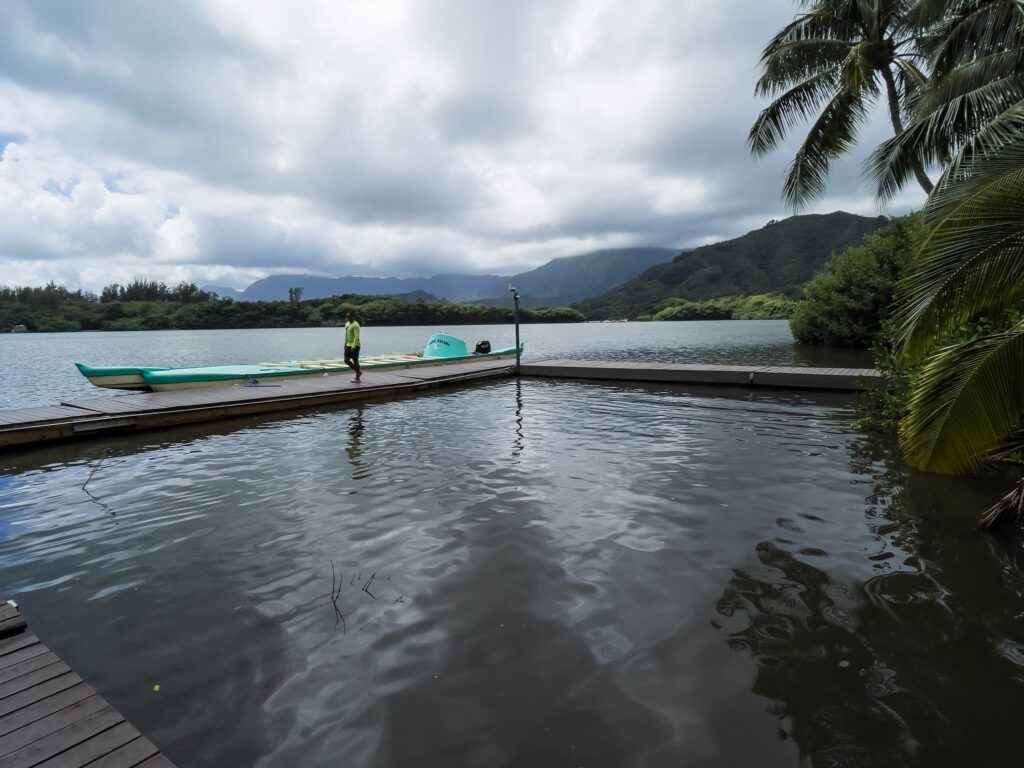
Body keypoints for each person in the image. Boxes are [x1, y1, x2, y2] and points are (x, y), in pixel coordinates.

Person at [344, 311, 362, 382]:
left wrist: (354, 346)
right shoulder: (347, 324)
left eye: (349, 316)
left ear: (353, 316)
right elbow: (346, 335)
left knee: (355, 361)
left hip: (355, 345)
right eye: (347, 316)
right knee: (346, 360)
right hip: (348, 345)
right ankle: (359, 372)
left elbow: (356, 336)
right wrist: (345, 344)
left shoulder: (356, 325)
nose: (347, 317)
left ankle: (357, 378)